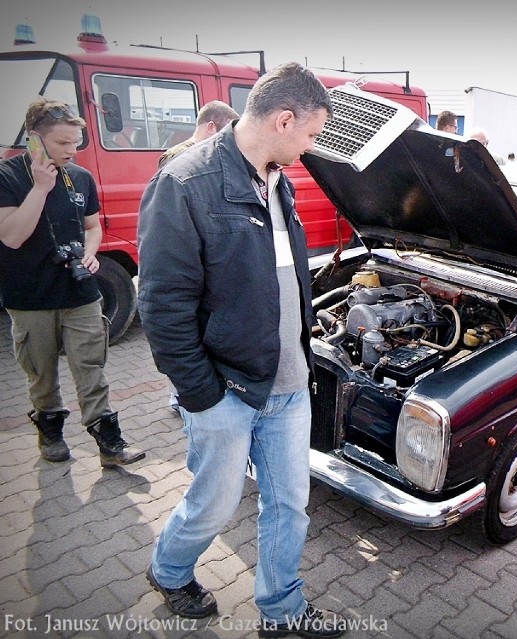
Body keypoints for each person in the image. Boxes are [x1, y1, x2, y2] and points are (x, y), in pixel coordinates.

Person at [138, 63, 347, 637]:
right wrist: (204, 396)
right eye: (310, 134)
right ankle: (169, 569)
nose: (312, 148)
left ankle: (282, 613)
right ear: (284, 119)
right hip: (226, 391)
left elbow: (281, 277)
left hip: (287, 386)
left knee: (290, 507)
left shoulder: (277, 181)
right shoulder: (184, 184)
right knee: (214, 502)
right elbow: (161, 307)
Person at [0, 99, 145, 467]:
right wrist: (40, 188)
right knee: (41, 374)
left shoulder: (80, 177)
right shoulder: (8, 176)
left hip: (80, 291)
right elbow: (12, 236)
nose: (72, 150)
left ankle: (109, 444)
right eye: (63, 143)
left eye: (76, 141)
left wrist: (91, 252)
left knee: (91, 368)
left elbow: (93, 226)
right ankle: (51, 434)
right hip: (30, 296)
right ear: (36, 140)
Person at [157, 100, 239, 413]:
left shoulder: (177, 154)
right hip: (191, 256)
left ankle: (180, 393)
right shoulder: (187, 157)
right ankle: (182, 395)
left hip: (192, 254)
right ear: (211, 127)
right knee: (187, 328)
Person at [158, 100, 238, 169]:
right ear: (211, 127)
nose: (229, 139)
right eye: (226, 132)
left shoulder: (212, 155)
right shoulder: (176, 156)